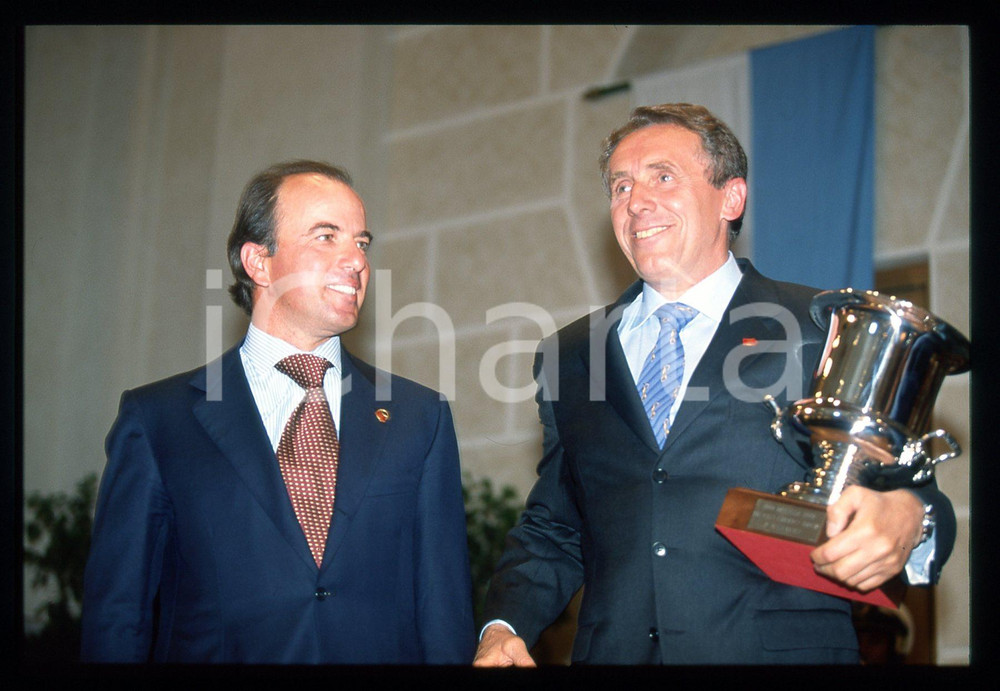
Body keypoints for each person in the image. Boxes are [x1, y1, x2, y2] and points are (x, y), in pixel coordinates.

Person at [473, 104, 956, 665]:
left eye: (663, 176)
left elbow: (908, 489)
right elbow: (555, 523)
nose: (636, 201)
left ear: (731, 198)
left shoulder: (818, 325)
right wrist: (502, 625)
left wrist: (905, 516)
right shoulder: (570, 355)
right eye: (620, 186)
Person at [81, 160, 475, 664]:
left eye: (362, 242)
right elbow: (118, 616)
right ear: (258, 261)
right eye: (326, 236)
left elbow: (444, 611)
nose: (355, 260)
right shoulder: (158, 421)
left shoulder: (420, 416)